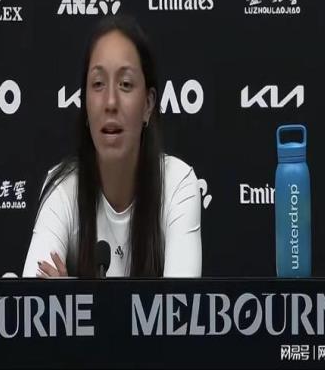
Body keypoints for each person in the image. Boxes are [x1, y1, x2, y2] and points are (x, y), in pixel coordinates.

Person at [22, 14, 202, 278]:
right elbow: (33, 297)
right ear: (85, 104)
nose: (110, 102)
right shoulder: (62, 186)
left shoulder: (177, 184)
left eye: (125, 84)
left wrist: (69, 294)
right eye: (98, 84)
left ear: (148, 104)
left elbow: (180, 301)